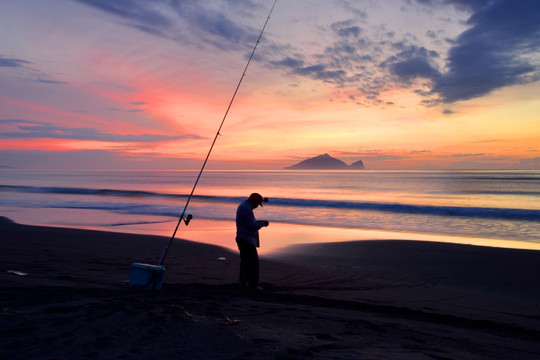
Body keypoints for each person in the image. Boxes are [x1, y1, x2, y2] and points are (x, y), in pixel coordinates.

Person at [235, 193, 269, 290]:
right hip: (246, 239)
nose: (257, 206)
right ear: (253, 201)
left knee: (245, 262)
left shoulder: (244, 207)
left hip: (242, 237)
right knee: (253, 263)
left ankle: (243, 282)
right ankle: (253, 285)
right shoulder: (245, 209)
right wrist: (263, 224)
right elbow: (251, 226)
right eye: (257, 203)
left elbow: (251, 223)